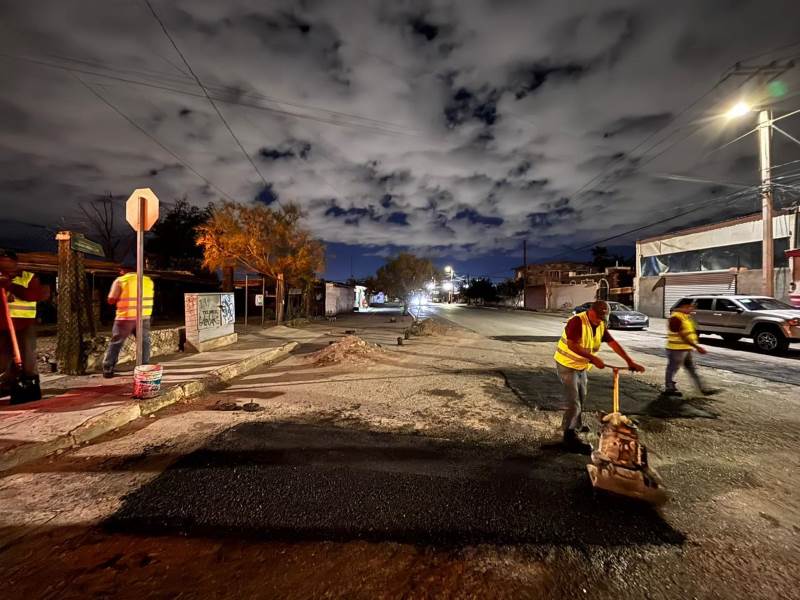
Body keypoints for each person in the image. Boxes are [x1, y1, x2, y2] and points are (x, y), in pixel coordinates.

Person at [554, 300, 645, 454]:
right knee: (573, 402)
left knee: (581, 397)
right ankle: (569, 438)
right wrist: (593, 358)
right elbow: (572, 345)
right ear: (590, 311)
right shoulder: (577, 321)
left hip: (581, 366)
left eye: (603, 318)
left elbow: (613, 343)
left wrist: (630, 361)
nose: (599, 320)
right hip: (567, 365)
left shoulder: (601, 324)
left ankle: (575, 425)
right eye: (597, 317)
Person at [0, 249, 50, 401]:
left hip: (23, 324)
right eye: (2, 261)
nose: (5, 264)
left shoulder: (27, 277)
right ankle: (7, 383)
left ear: (15, 263)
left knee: (26, 358)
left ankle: (27, 384)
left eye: (8, 261)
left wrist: (10, 285)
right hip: (1, 326)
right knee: (3, 358)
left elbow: (32, 295)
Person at [103, 262, 154, 378]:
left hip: (125, 317)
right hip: (144, 317)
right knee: (144, 343)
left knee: (116, 342)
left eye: (120, 270)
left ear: (123, 270)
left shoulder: (120, 280)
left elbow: (111, 299)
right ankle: (144, 368)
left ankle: (108, 368)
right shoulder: (147, 280)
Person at [664, 299, 717, 397]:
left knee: (691, 369)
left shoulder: (685, 317)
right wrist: (696, 347)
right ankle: (669, 388)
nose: (692, 308)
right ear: (683, 307)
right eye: (690, 307)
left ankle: (703, 389)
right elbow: (682, 335)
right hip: (676, 349)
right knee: (672, 369)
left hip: (684, 348)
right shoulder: (676, 318)